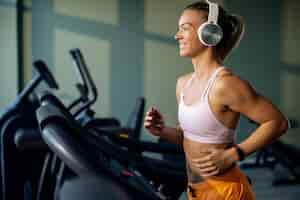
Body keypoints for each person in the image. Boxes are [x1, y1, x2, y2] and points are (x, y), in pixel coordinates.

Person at [144, 0, 289, 199]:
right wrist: (162, 130)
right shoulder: (183, 84)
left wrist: (233, 154)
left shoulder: (225, 84)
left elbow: (278, 122)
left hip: (227, 191)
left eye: (184, 29)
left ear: (209, 32)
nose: (177, 35)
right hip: (196, 190)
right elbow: (190, 138)